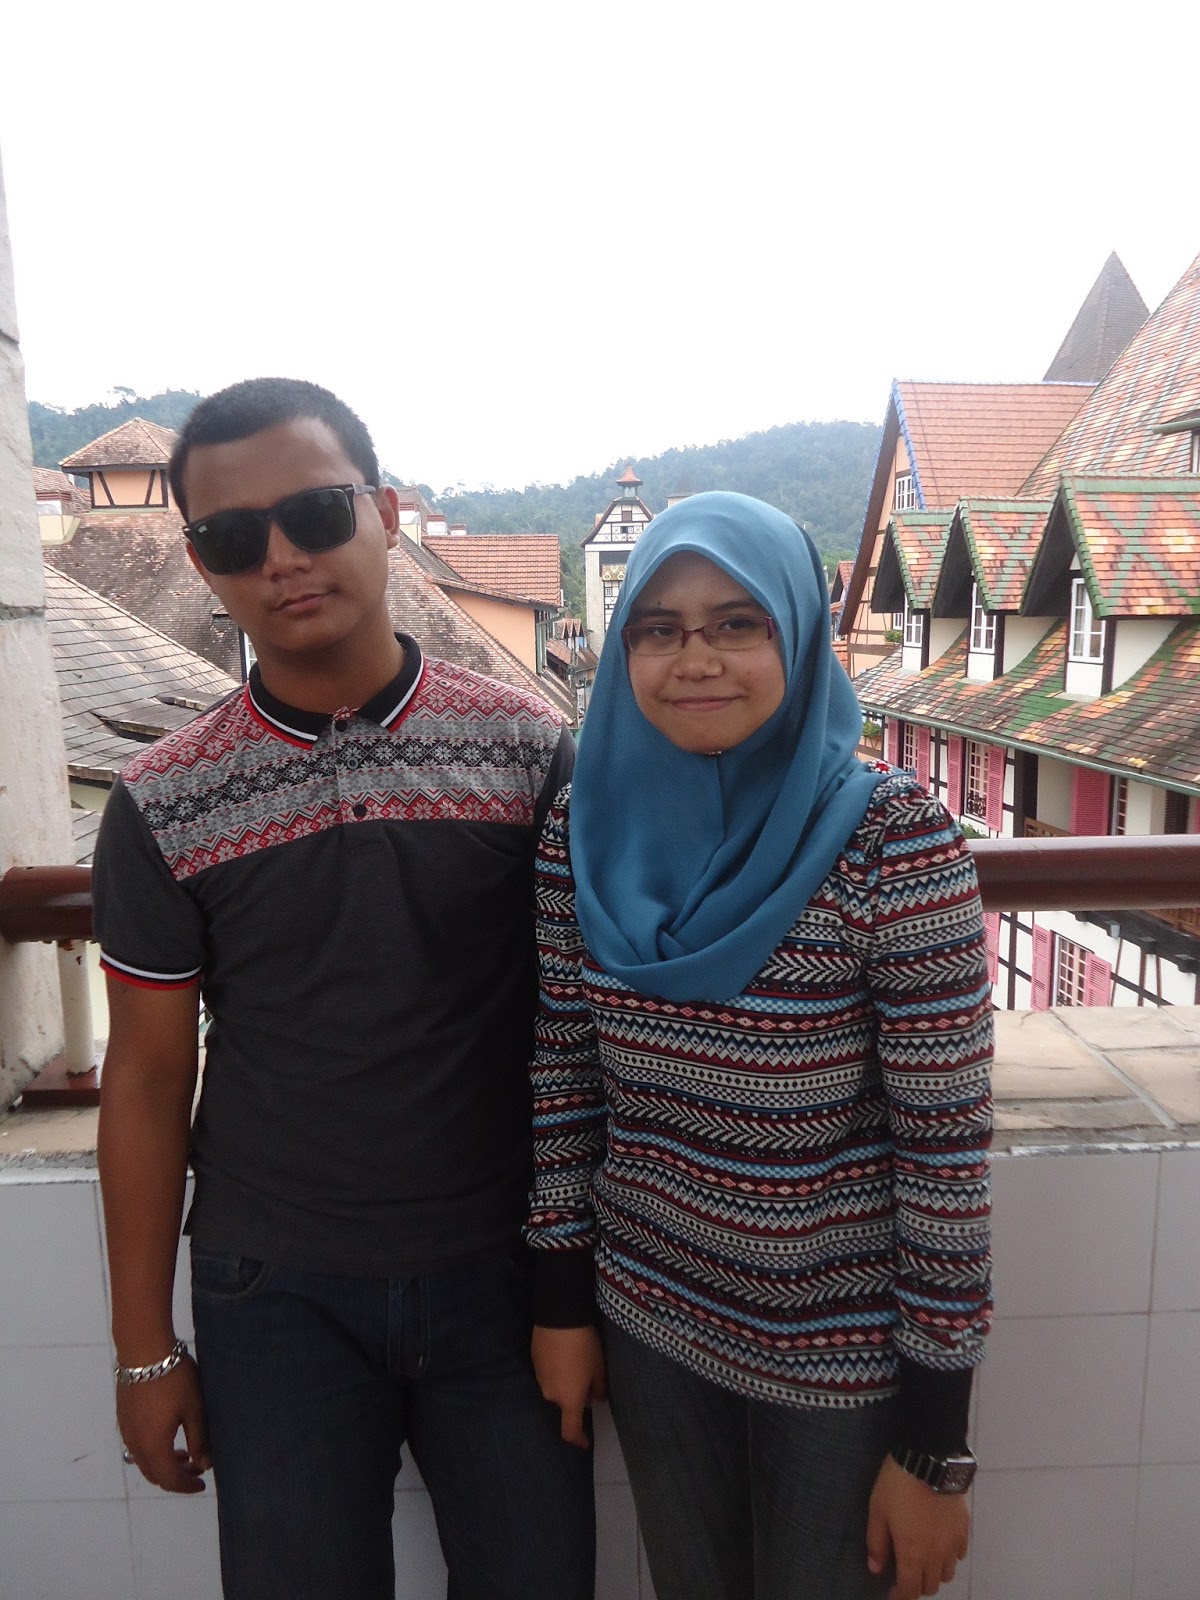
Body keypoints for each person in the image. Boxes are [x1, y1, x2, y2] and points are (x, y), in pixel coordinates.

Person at [93, 378, 594, 1600]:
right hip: (275, 1293)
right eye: (232, 537)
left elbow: (582, 1033)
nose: (281, 559)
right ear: (202, 563)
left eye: (315, 513)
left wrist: (573, 1286)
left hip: (506, 1277)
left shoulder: (526, 748)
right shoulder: (162, 801)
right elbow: (148, 1078)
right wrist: (144, 1350)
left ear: (384, 514)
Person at [526, 491, 992, 1600]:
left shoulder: (891, 840)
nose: (697, 659)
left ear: (798, 632)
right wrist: (560, 1304)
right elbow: (564, 1080)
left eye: (738, 623)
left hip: (838, 1356)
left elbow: (944, 1153)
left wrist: (935, 1441)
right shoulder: (581, 834)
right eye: (659, 629)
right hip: (648, 1320)